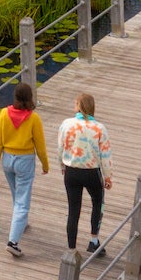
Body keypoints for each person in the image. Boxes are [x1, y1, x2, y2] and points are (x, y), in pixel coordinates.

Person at [0, 82, 48, 258]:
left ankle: (23, 222)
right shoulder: (33, 118)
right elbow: (41, 146)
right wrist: (45, 164)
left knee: (16, 194)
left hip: (7, 160)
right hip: (24, 161)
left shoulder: (4, 114)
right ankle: (13, 242)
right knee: (23, 202)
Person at [58, 92, 113, 256]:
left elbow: (60, 147)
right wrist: (108, 176)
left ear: (78, 107)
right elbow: (105, 154)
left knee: (73, 208)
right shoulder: (100, 128)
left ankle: (71, 249)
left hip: (71, 170)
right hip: (91, 171)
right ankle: (93, 240)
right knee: (98, 201)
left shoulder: (66, 124)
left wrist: (62, 164)